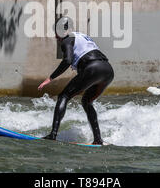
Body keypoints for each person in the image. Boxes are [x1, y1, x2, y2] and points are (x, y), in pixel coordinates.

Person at [38, 17, 114, 145]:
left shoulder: (67, 40)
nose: (56, 37)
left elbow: (67, 60)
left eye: (56, 34)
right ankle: (98, 140)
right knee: (86, 101)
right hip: (108, 70)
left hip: (92, 68)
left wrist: (49, 78)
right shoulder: (82, 36)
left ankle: (53, 135)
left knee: (63, 96)